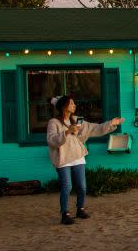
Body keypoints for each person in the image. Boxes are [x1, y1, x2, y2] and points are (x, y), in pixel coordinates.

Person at [46, 95, 124, 225]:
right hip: (63, 157)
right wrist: (66, 132)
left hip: (77, 155)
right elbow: (51, 140)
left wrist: (111, 123)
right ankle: (65, 213)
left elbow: (94, 128)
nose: (74, 105)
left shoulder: (77, 120)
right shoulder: (53, 122)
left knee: (82, 187)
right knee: (67, 186)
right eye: (71, 103)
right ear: (64, 106)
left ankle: (80, 209)